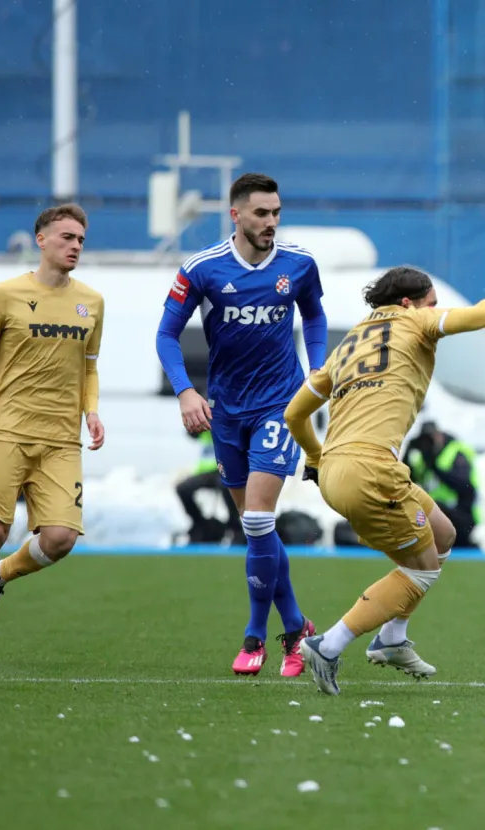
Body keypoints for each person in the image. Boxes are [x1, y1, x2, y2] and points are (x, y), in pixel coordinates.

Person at [284, 268, 485, 696]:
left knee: (443, 534)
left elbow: (295, 413)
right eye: (431, 301)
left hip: (338, 468)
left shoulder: (348, 343)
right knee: (420, 571)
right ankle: (328, 646)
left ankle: (391, 638)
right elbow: (482, 316)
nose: (434, 309)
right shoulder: (416, 321)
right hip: (372, 471)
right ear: (409, 303)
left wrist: (314, 458)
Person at [155, 173, 327, 678]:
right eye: (261, 213)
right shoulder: (202, 269)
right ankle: (297, 628)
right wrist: (187, 390)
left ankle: (255, 637)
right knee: (257, 530)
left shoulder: (299, 264)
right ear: (236, 215)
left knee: (255, 520)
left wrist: (316, 370)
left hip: (281, 405)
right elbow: (167, 334)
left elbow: (314, 317)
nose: (271, 222)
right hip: (227, 411)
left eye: (276, 212)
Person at [0, 204, 107, 665]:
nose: (75, 246)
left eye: (80, 240)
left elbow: (89, 368)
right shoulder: (5, 294)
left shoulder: (91, 302)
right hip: (7, 429)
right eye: (67, 237)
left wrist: (91, 411)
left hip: (61, 438)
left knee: (60, 538)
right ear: (42, 240)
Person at [406, 421, 479, 547]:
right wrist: (409, 452)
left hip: (462, 515)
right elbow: (405, 483)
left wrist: (435, 467)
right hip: (434, 515)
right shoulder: (422, 457)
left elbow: (465, 487)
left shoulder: (456, 452)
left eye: (431, 439)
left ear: (439, 436)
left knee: (435, 508)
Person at [175, 430, 243, 544]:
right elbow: (192, 433)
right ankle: (199, 524)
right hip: (205, 472)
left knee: (226, 486)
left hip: (225, 469)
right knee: (182, 488)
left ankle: (234, 527)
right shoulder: (206, 421)